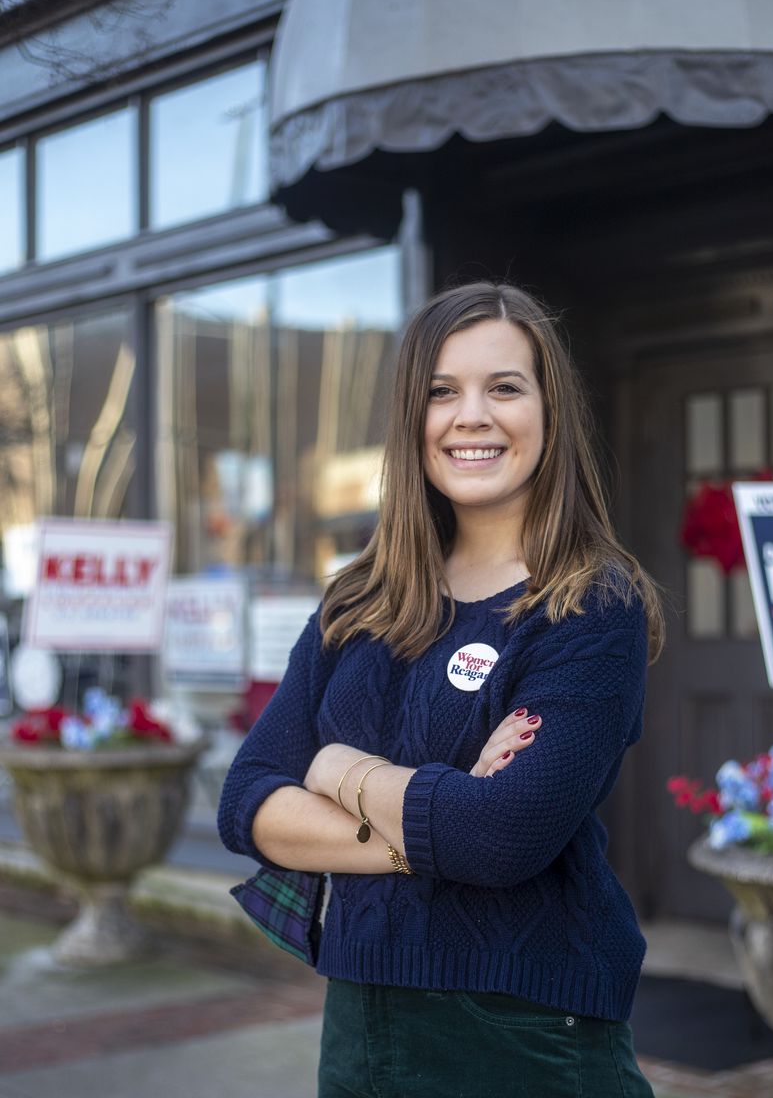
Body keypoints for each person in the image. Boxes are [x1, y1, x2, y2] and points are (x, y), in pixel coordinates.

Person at [218, 281, 664, 1097]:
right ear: (411, 420)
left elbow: (501, 839)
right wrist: (437, 820)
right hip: (359, 1023)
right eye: (441, 391)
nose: (472, 416)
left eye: (504, 387)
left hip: (530, 1031)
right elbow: (246, 801)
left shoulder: (590, 605)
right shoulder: (359, 601)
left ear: (548, 410)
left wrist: (333, 769)